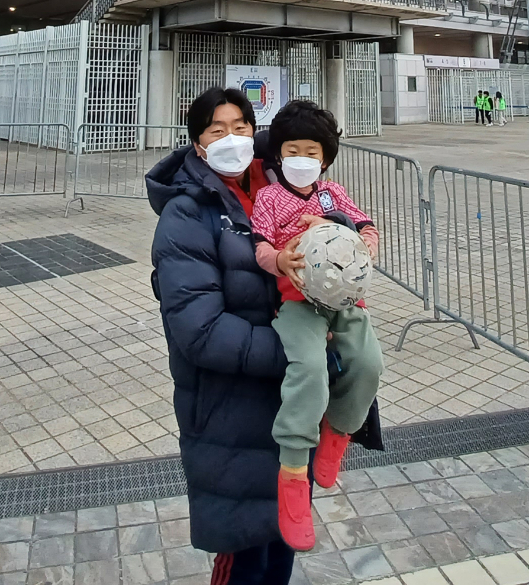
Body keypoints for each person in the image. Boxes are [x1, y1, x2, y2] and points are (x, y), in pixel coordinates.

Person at [146, 87, 383, 584]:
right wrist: (300, 356)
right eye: (216, 130)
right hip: (233, 415)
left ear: (257, 134)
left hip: (291, 406)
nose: (231, 138)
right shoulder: (187, 213)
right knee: (245, 560)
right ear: (196, 143)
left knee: (281, 556)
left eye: (241, 127)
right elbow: (199, 329)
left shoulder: (282, 181)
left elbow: (334, 224)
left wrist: (340, 230)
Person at [251, 101, 383, 551]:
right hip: (295, 300)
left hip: (344, 298)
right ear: (278, 154)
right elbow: (260, 247)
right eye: (292, 150)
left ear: (324, 157)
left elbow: (366, 227)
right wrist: (279, 260)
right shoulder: (269, 197)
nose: (301, 159)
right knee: (308, 370)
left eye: (311, 151)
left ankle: (338, 434)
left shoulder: (332, 194)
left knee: (368, 363)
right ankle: (292, 475)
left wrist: (363, 243)